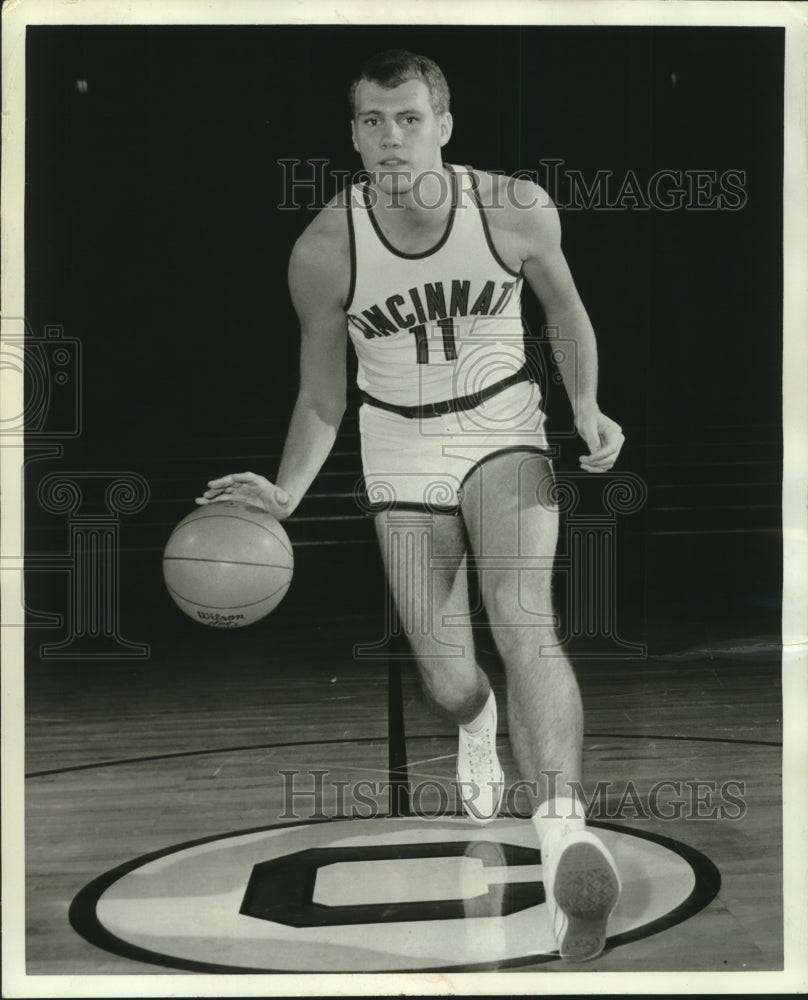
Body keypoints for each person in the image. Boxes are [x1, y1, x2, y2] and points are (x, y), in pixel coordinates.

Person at [197, 49, 625, 961]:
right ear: (352, 132)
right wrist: (286, 492)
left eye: (407, 119)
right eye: (371, 122)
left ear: (444, 125)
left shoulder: (512, 208)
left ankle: (563, 836)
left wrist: (584, 404)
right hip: (397, 443)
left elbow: (567, 313)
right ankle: (475, 725)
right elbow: (323, 397)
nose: (390, 139)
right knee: (446, 674)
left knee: (524, 619)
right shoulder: (324, 247)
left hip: (504, 423)